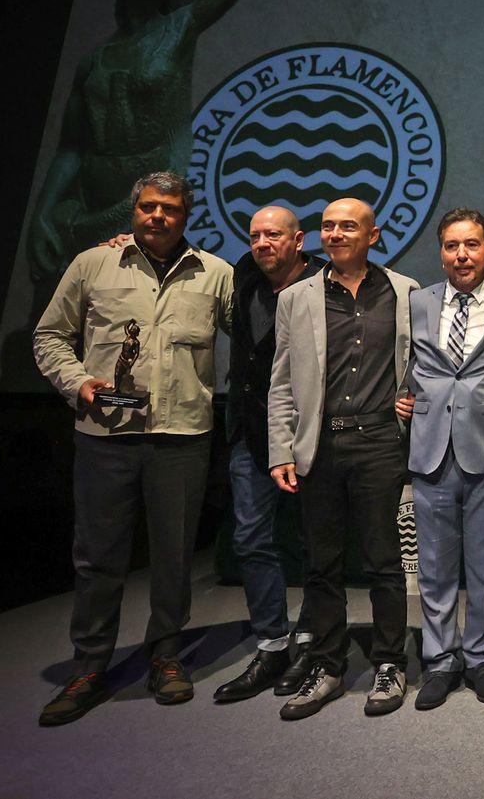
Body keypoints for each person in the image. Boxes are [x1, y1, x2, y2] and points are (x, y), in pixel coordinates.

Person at [33, 171, 233, 726]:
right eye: (148, 207)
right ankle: (90, 666)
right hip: (106, 438)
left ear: (185, 215)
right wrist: (79, 383)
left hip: (183, 437)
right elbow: (49, 336)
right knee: (98, 559)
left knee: (173, 558)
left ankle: (166, 657)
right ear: (134, 210)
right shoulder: (92, 264)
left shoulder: (215, 274)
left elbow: (260, 326)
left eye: (169, 208)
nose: (157, 216)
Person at [28, 0, 262, 294]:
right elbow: (71, 148)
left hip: (144, 204)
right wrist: (42, 215)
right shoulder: (95, 60)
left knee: (126, 314)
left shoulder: (179, 28)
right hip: (85, 208)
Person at [267, 197, 419, 720]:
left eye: (347, 226)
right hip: (320, 446)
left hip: (380, 442)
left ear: (373, 235)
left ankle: (389, 663)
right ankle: (327, 666)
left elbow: (422, 365)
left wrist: (413, 397)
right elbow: (282, 382)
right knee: (322, 564)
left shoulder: (405, 292)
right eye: (327, 226)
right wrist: (280, 449)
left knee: (384, 562)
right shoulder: (296, 297)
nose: (334, 234)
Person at [393, 209, 484, 712]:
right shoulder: (416, 301)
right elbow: (404, 362)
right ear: (440, 251)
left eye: (471, 245)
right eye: (451, 246)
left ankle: (482, 658)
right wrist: (401, 395)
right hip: (430, 446)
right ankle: (439, 661)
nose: (461, 255)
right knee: (435, 568)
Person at [212, 206, 323, 703]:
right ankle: (273, 643)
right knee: (253, 539)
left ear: (298, 240)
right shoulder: (242, 274)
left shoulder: (326, 280)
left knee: (315, 543)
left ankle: (313, 642)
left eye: (273, 235)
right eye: (255, 235)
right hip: (250, 434)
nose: (262, 244)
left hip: (312, 433)